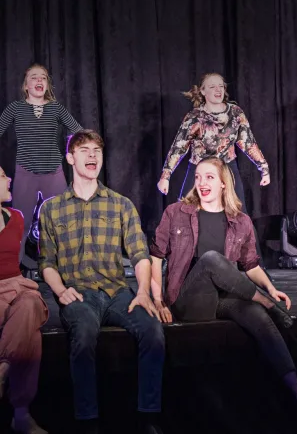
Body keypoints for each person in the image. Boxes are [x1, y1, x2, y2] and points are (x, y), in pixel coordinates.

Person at [149, 157, 297, 418]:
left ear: (223, 184)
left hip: (224, 298)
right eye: (198, 177)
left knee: (261, 320)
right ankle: (265, 302)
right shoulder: (176, 212)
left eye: (209, 177)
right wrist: (158, 301)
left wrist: (270, 288)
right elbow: (155, 257)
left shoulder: (240, 221)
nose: (202, 183)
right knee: (211, 260)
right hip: (189, 300)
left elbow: (250, 265)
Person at [38, 130, 164, 434]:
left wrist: (144, 292)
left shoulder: (120, 204)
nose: (92, 156)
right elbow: (47, 262)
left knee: (153, 333)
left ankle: (149, 416)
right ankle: (88, 420)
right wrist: (60, 290)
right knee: (82, 338)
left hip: (117, 292)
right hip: (79, 294)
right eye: (84, 151)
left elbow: (139, 253)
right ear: (70, 158)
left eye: (96, 150)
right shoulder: (52, 209)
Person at [0, 64, 82, 268]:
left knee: (61, 222)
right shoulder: (16, 108)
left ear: (47, 84)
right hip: (26, 172)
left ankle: (61, 267)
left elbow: (79, 132)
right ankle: (13, 268)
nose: (39, 81)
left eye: (43, 78)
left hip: (53, 173)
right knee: (21, 223)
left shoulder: (56, 108)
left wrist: (81, 152)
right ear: (26, 85)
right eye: (34, 77)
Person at [157, 73, 270, 209]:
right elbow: (178, 147)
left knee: (238, 214)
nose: (218, 90)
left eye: (221, 86)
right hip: (199, 169)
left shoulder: (235, 113)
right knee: (185, 213)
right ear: (203, 91)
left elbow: (248, 143)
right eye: (212, 86)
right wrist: (165, 177)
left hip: (227, 169)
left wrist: (264, 168)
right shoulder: (194, 117)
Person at [0, 167, 49, 434]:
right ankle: (21, 415)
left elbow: (32, 251)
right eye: (2, 176)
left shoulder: (16, 217)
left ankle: (2, 372)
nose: (9, 180)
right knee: (31, 333)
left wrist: (38, 228)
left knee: (30, 303)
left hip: (18, 287)